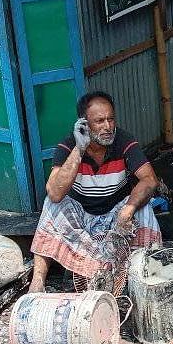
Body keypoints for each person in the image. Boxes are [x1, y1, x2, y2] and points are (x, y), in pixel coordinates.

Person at [29, 91, 162, 293]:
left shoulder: (124, 140)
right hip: (81, 220)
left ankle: (144, 276)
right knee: (52, 204)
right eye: (99, 121)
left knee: (144, 207)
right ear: (84, 123)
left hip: (115, 218)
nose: (108, 127)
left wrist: (128, 210)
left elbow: (150, 180)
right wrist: (79, 150)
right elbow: (55, 192)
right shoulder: (68, 145)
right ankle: (37, 281)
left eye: (111, 119)